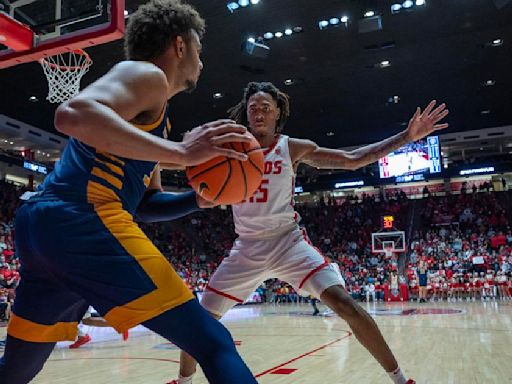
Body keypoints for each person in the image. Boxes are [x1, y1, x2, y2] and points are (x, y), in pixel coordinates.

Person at [0, 1, 258, 383]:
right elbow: (70, 114)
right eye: (199, 49)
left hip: (44, 229)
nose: (202, 61)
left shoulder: (156, 119)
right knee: (213, 342)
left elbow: (144, 205)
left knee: (16, 371)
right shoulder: (146, 75)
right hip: (82, 220)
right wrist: (183, 154)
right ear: (180, 45)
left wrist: (197, 199)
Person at [173, 81, 449, 384]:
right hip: (246, 247)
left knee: (344, 304)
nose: (259, 113)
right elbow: (186, 158)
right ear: (246, 113)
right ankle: (183, 381)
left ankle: (400, 379)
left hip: (287, 242)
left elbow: (352, 159)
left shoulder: (290, 147)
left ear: (278, 112)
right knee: (198, 321)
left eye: (266, 108)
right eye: (253, 108)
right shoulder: (229, 147)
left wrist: (406, 137)